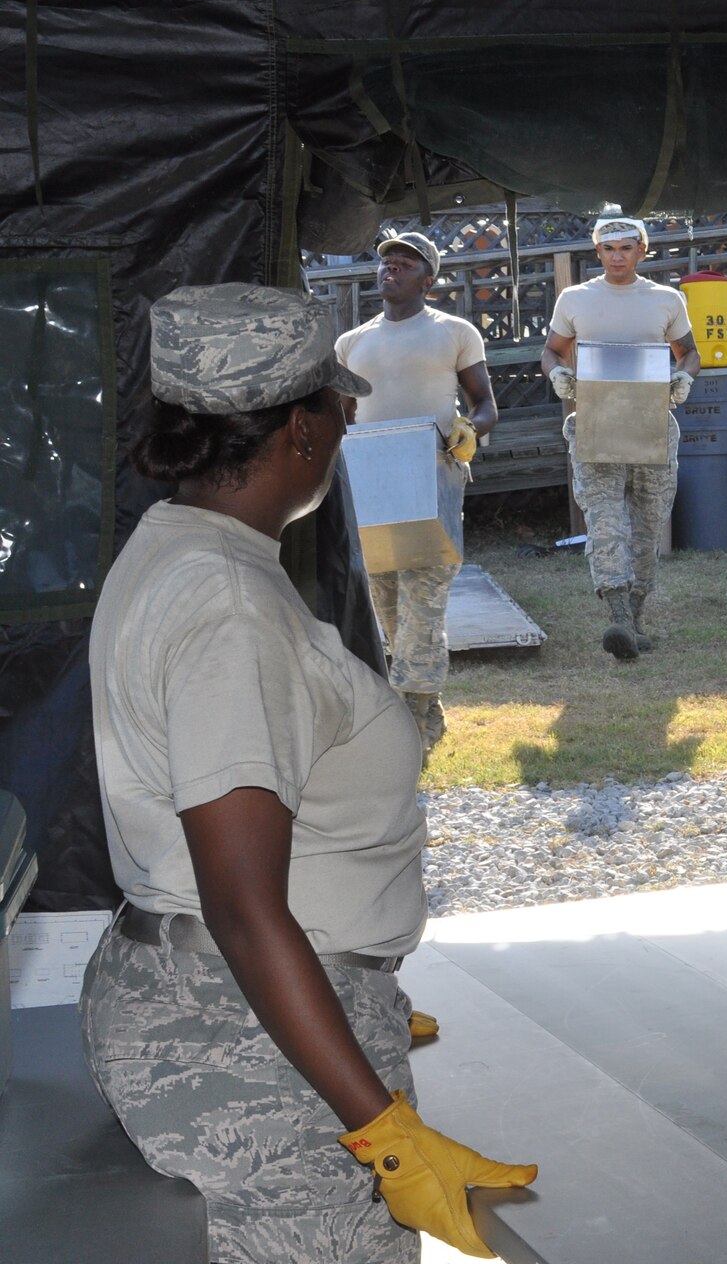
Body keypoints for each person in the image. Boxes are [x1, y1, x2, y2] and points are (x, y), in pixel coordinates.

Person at [83, 284, 534, 1262]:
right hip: (249, 1043)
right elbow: (243, 904)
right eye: (336, 401)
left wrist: (354, 964)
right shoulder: (229, 608)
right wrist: (384, 1130)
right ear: (297, 429)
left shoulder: (178, 544)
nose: (351, 416)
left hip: (231, 1000)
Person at [335, 230, 499, 757]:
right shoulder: (351, 343)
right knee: (390, 615)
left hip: (433, 482)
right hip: (371, 489)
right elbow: (341, 418)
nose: (391, 271)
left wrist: (470, 431)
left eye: (405, 265)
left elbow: (486, 405)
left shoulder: (454, 332)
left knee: (422, 609)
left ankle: (408, 730)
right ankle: (427, 715)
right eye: (386, 264)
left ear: (427, 280)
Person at [541, 206, 701, 660]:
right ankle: (617, 617)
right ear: (597, 251)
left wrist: (683, 377)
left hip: (652, 426)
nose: (616, 258)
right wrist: (556, 375)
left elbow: (689, 353)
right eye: (608, 249)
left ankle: (635, 618)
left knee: (648, 529)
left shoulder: (666, 300)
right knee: (605, 522)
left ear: (642, 251)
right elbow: (551, 352)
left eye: (625, 249)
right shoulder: (573, 299)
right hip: (593, 426)